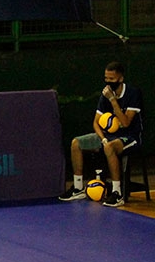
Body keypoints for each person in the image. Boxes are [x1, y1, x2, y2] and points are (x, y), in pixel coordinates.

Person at [59, 61, 143, 208]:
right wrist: (103, 138)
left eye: (112, 79)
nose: (108, 82)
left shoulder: (132, 93)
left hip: (130, 136)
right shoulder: (104, 94)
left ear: (120, 78)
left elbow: (126, 122)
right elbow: (96, 123)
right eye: (106, 78)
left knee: (110, 147)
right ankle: (78, 188)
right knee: (76, 143)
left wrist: (113, 100)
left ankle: (117, 193)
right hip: (108, 137)